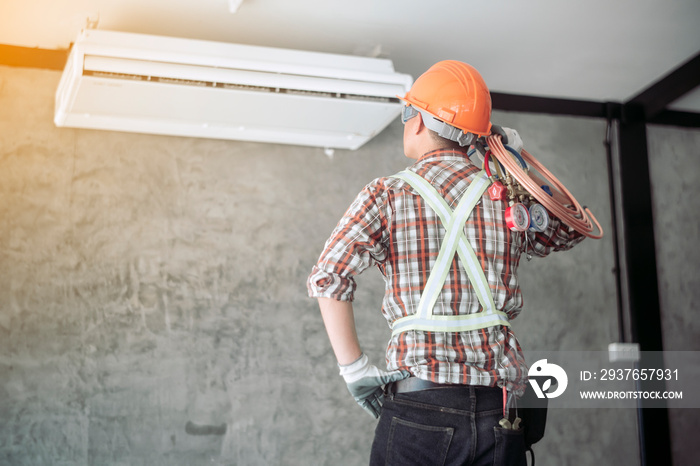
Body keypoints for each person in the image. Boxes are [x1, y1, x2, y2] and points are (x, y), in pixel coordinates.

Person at [307, 60, 584, 465]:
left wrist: (355, 371)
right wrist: (519, 161)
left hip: (419, 407)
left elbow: (329, 278)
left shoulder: (387, 194)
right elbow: (570, 228)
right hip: (499, 412)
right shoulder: (508, 197)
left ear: (417, 121)